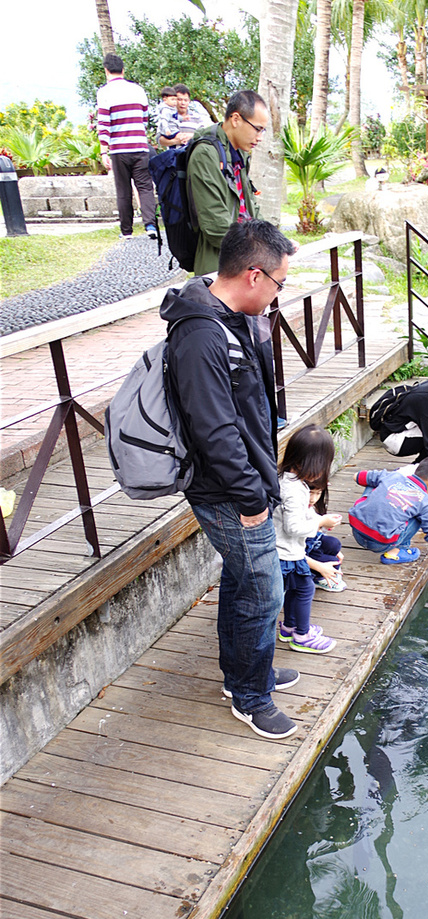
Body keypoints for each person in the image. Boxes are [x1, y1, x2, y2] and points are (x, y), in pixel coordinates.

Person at [161, 217, 298, 740]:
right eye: (280, 283)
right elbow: (214, 430)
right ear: (254, 275)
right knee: (263, 589)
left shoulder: (230, 317)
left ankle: (246, 673)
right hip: (227, 491)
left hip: (245, 482)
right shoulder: (200, 334)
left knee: (245, 582)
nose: (280, 294)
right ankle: (250, 697)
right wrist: (251, 498)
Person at [274, 424, 340, 654]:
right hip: (286, 553)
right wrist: (320, 523)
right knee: (304, 590)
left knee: (295, 590)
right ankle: (301, 635)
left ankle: (290, 627)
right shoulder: (294, 490)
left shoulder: (287, 479)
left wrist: (319, 518)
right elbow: (294, 527)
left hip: (285, 551)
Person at [187, 89, 267, 276]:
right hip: (220, 267)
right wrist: (261, 248)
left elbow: (250, 210)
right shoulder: (206, 154)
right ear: (236, 119)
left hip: (246, 261)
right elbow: (215, 224)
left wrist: (274, 241)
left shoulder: (239, 154)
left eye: (263, 130)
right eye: (257, 129)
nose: (260, 137)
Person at [349, 453, 428, 568]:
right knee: (419, 517)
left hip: (356, 529)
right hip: (380, 543)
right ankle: (397, 551)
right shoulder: (424, 501)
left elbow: (357, 476)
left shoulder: (393, 476)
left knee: (373, 482)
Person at [96, 53, 157, 240]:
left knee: (123, 189)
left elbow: (104, 123)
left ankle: (127, 231)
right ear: (123, 70)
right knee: (145, 187)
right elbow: (145, 118)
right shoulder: (138, 90)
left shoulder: (104, 92)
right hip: (139, 145)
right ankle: (150, 225)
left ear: (106, 71)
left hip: (118, 149)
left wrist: (103, 150)